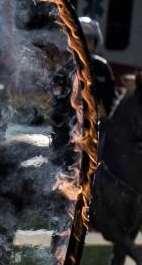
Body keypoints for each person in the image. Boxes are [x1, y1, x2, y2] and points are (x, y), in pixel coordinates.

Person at [49, 16, 117, 165]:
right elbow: (58, 110)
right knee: (64, 159)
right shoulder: (63, 72)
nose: (85, 44)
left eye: (89, 40)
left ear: (95, 43)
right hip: (68, 130)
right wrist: (75, 123)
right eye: (82, 39)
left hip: (94, 127)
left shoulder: (102, 68)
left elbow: (111, 103)